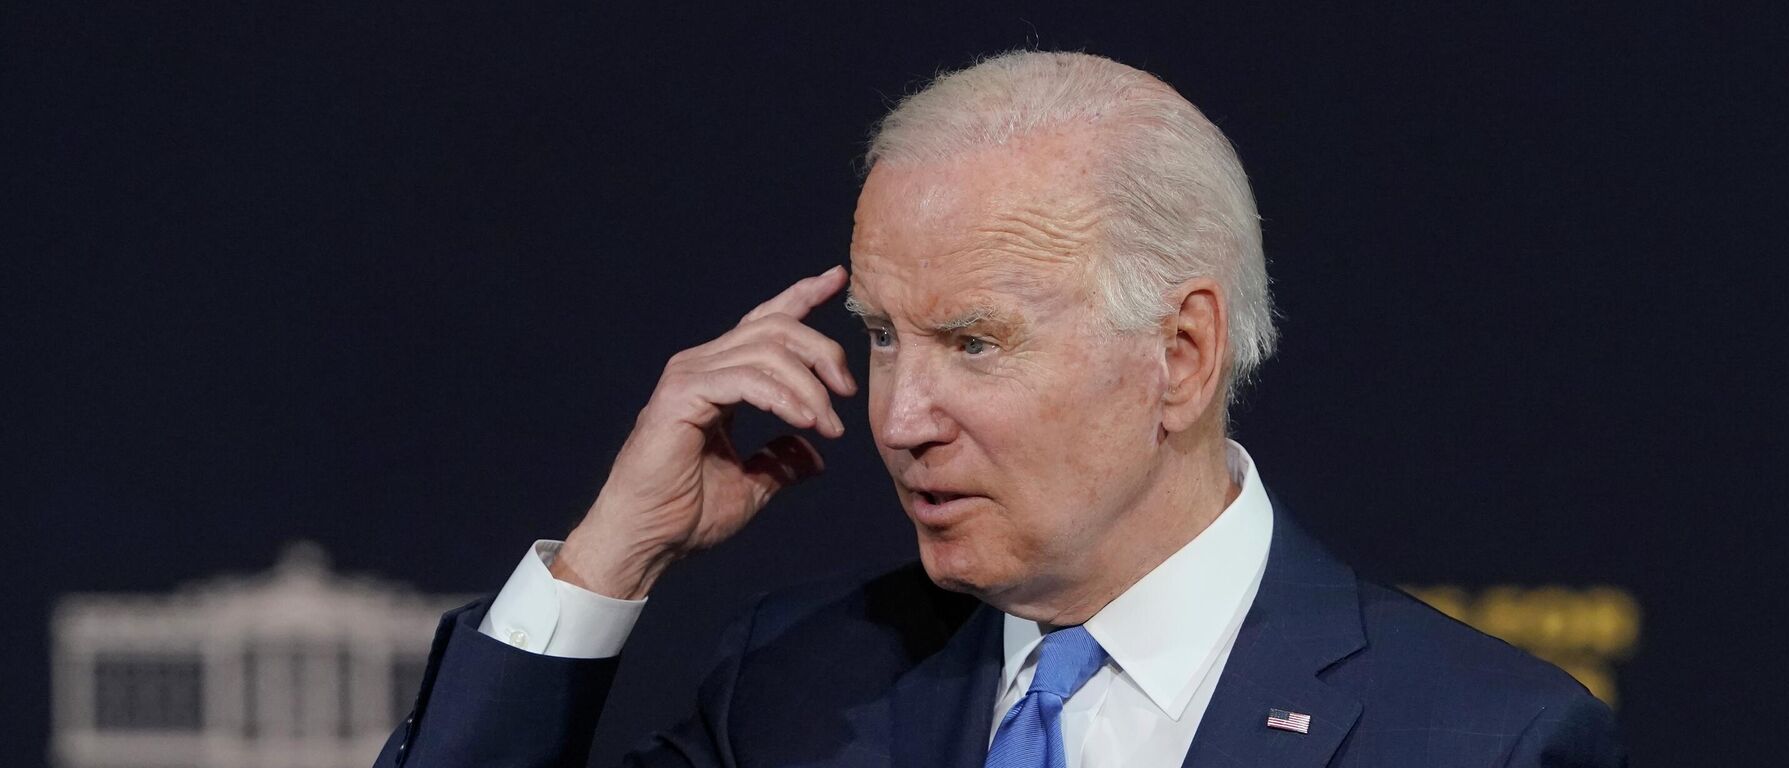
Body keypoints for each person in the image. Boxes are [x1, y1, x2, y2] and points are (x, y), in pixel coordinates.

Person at [374, 51, 1625, 768]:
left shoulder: (1479, 744)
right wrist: (610, 556)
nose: (903, 414)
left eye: (976, 343)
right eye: (879, 336)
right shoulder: (802, 688)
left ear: (1181, 355)